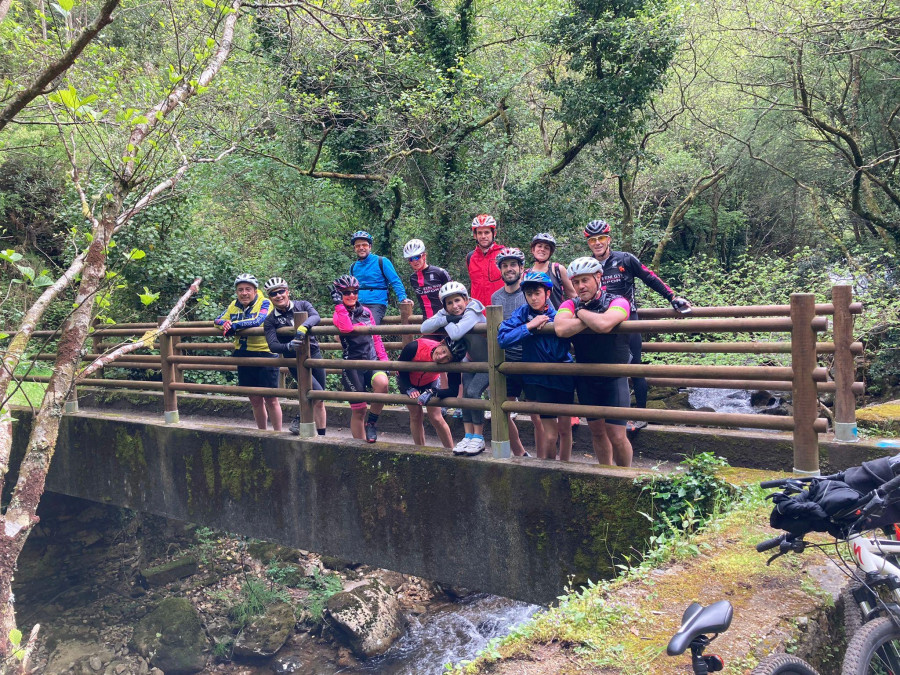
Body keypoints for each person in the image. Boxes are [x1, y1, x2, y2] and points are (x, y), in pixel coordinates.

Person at [584, 219, 691, 430]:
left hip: (627, 321)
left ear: (609, 239)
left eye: (601, 238)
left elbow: (649, 277)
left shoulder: (625, 259)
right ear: (588, 243)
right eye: (592, 240)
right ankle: (607, 415)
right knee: (602, 368)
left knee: (635, 366)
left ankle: (640, 415)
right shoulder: (587, 265)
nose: (597, 243)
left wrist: (672, 297)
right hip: (600, 322)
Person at [554, 257, 633, 466]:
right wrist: (587, 316)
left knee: (617, 435)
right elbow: (561, 328)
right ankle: (605, 474)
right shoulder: (569, 303)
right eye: (576, 282)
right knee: (597, 433)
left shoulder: (618, 300)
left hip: (613, 376)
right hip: (587, 377)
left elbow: (605, 324)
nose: (580, 286)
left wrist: (579, 314)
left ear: (598, 277)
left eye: (585, 280)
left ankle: (625, 479)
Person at [498, 272, 576, 461]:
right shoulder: (523, 314)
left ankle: (564, 469)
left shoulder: (558, 315)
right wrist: (529, 327)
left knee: (565, 430)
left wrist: (549, 325)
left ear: (547, 293)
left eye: (537, 293)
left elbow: (560, 350)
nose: (533, 298)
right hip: (540, 381)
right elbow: (503, 339)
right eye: (529, 294)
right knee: (550, 434)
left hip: (562, 377)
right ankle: (548, 471)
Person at [420, 281, 489, 456]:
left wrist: (445, 322)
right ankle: (468, 435)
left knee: (473, 393)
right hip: (471, 360)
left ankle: (479, 438)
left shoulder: (473, 310)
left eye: (457, 300)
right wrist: (445, 317)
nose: (454, 306)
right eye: (449, 303)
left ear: (466, 299)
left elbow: (456, 333)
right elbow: (424, 327)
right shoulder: (449, 312)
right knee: (465, 395)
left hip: (489, 362)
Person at [490, 246, 543, 458]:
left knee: (537, 413)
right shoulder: (496, 297)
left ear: (522, 267)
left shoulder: (530, 293)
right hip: (506, 361)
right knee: (502, 409)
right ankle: (520, 453)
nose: (509, 269)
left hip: (531, 359)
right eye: (504, 265)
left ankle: (543, 458)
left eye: (513, 264)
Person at [214, 273, 282, 431]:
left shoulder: (265, 302)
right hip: (243, 354)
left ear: (255, 290)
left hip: (265, 353)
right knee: (254, 398)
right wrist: (226, 324)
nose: (244, 293)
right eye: (240, 290)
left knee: (271, 398)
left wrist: (234, 326)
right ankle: (262, 432)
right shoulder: (234, 304)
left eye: (247, 289)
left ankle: (278, 434)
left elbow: (259, 320)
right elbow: (217, 320)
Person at [262, 277, 327, 436]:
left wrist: (303, 326)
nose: (278, 295)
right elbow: (272, 345)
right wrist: (288, 346)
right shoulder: (271, 320)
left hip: (314, 353)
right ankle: (301, 419)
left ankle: (321, 435)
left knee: (320, 398)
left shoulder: (302, 305)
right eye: (273, 293)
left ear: (287, 291)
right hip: (294, 360)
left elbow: (315, 316)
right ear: (270, 297)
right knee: (316, 393)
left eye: (281, 291)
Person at [331, 274, 389, 442]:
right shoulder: (338, 314)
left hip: (371, 360)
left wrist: (384, 361)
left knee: (383, 385)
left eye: (355, 291)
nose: (351, 295)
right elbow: (347, 329)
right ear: (339, 294)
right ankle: (360, 448)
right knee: (359, 410)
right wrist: (338, 306)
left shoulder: (366, 312)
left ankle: (372, 423)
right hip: (352, 365)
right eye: (346, 292)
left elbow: (376, 338)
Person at [396, 337, 463, 449]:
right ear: (441, 343)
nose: (441, 356)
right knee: (416, 414)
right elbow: (401, 369)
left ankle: (451, 452)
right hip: (407, 380)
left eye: (447, 358)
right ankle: (421, 451)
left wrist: (434, 392)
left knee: (436, 416)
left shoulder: (453, 362)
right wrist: (409, 388)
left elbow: (453, 391)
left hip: (430, 381)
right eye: (443, 351)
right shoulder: (414, 347)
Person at [349, 230, 410, 325]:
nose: (361, 248)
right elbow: (350, 288)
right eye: (357, 246)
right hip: (357, 304)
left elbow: (395, 281)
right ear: (354, 248)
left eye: (364, 245)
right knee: (346, 328)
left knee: (369, 328)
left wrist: (403, 298)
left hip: (376, 304)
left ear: (370, 246)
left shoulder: (381, 261)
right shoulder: (353, 267)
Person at [403, 238, 452, 325]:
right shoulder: (413, 278)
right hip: (428, 323)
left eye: (417, 257)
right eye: (411, 259)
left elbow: (454, 295)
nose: (415, 261)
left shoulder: (439, 272)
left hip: (446, 321)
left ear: (424, 256)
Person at [528, 232, 576, 309]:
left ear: (550, 252)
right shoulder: (526, 274)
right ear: (533, 250)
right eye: (539, 246)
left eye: (546, 248)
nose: (542, 249)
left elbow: (573, 294)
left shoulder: (557, 269)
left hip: (557, 317)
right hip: (534, 319)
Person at [466, 214, 505, 307]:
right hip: (478, 312)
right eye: (480, 233)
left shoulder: (503, 254)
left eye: (487, 232)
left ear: (494, 234)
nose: (483, 236)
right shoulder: (470, 257)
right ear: (475, 235)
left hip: (500, 310)